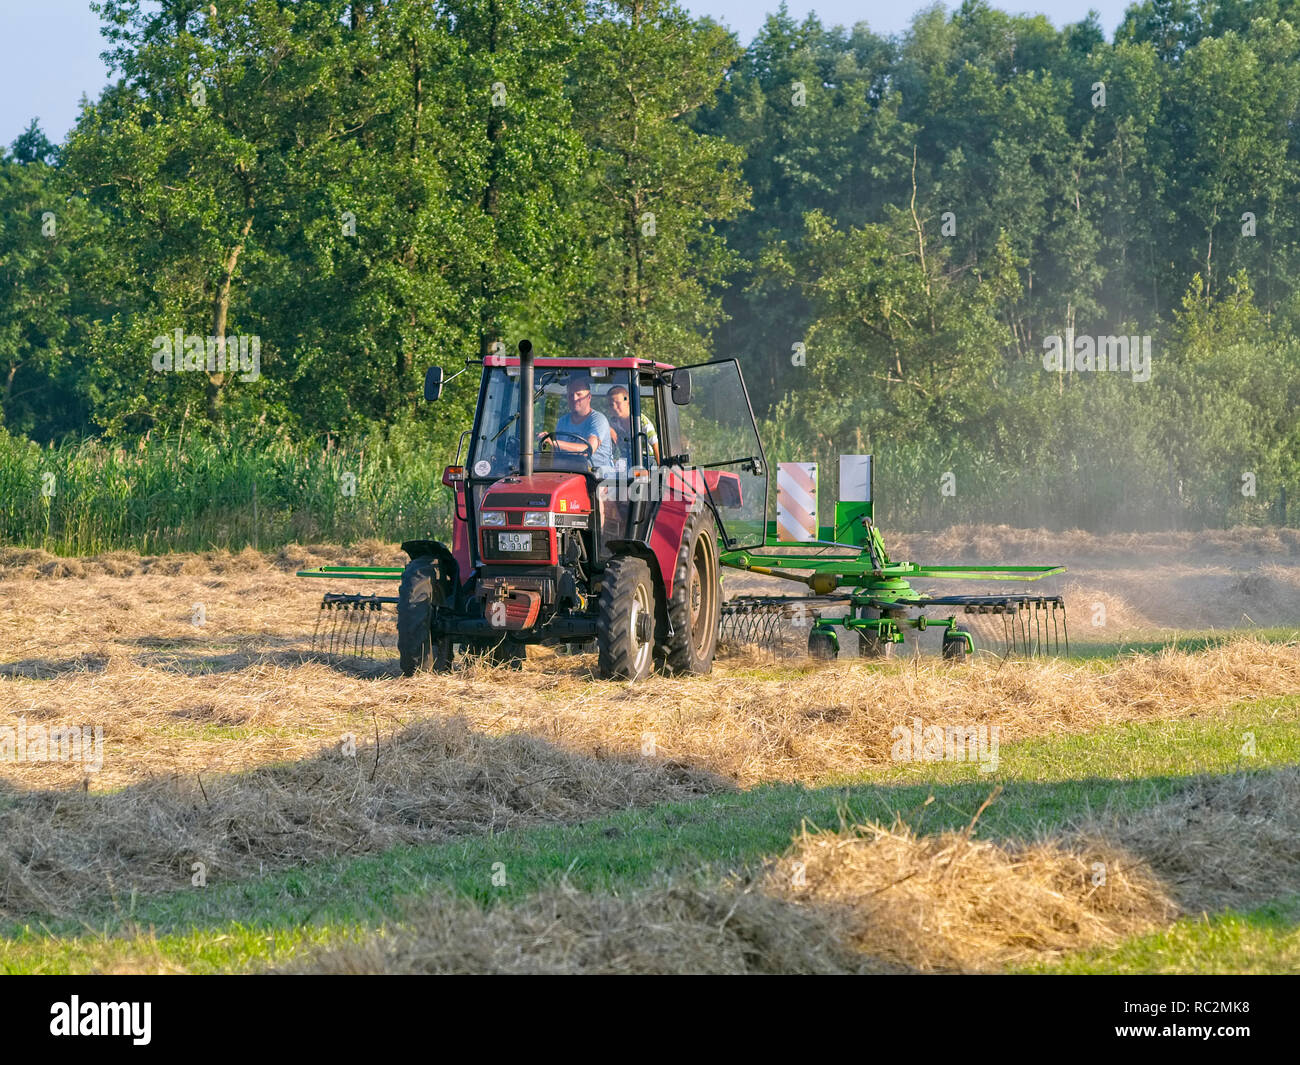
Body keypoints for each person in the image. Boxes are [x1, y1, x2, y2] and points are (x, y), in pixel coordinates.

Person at [540, 376, 614, 470]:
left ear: (589, 397)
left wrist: (555, 442)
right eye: (571, 395)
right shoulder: (562, 421)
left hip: (598, 478)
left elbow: (588, 450)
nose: (574, 398)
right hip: (570, 474)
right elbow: (556, 455)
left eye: (579, 394)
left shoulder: (598, 420)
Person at [606, 384, 660, 467]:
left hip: (646, 459)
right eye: (610, 405)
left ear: (627, 401)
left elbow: (655, 444)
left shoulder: (641, 421)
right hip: (626, 459)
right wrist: (608, 428)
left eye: (617, 403)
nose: (614, 407)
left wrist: (661, 470)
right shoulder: (612, 422)